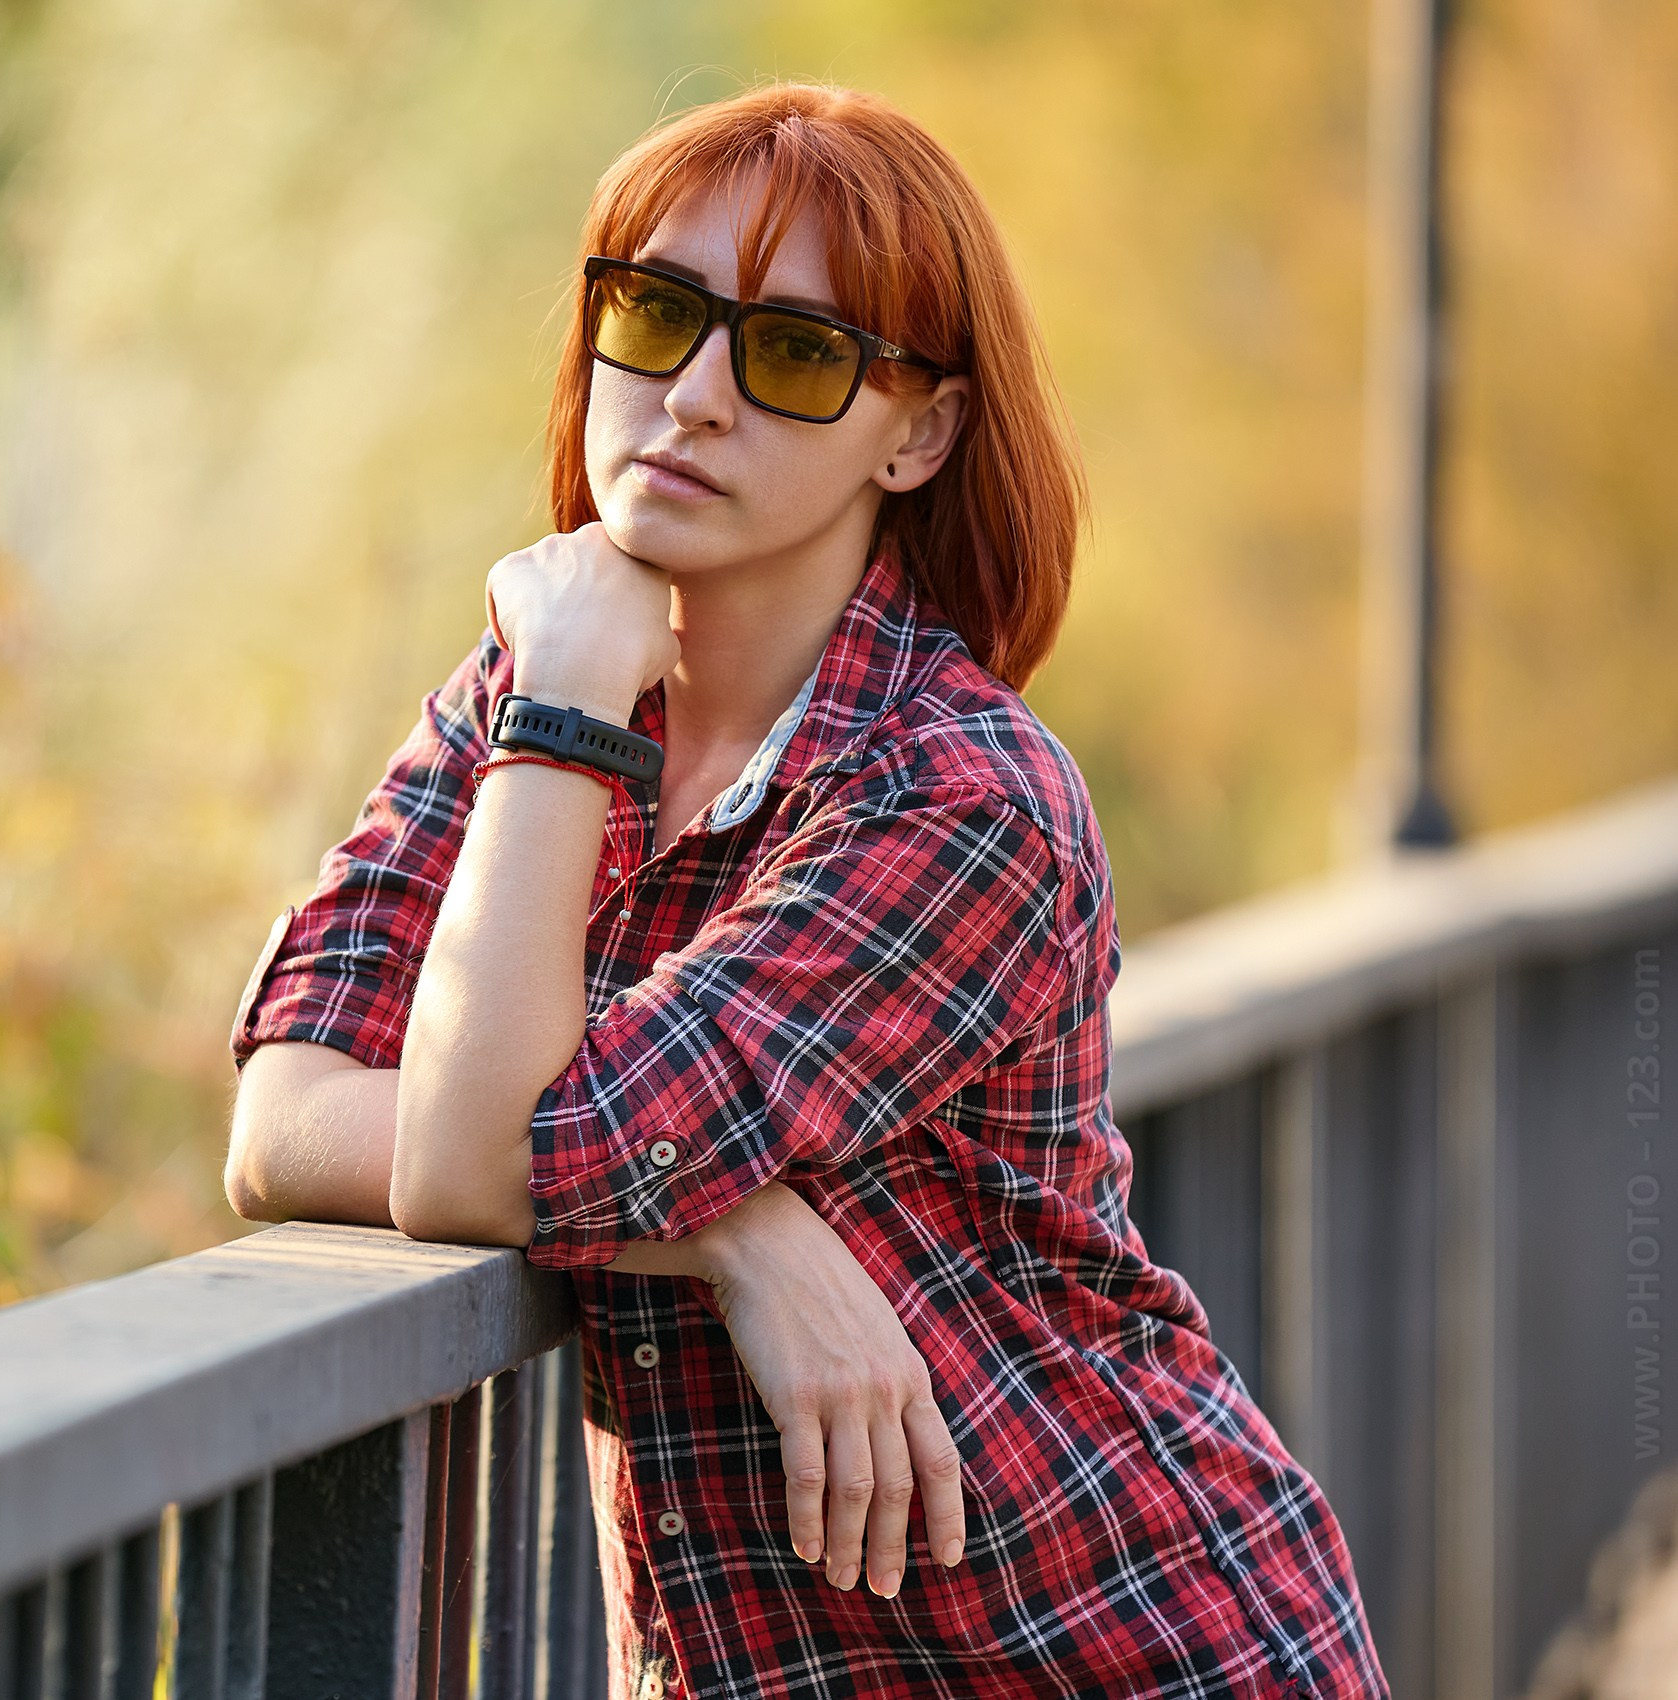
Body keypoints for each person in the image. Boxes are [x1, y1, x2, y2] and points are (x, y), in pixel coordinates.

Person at [223, 80, 1390, 1700]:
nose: (691, 396)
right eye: (656, 313)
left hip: (1105, 1646)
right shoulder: (535, 686)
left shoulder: (956, 795)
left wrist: (556, 739)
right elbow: (279, 1115)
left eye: (789, 354)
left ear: (915, 432)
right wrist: (741, 1235)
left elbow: (478, 1158)